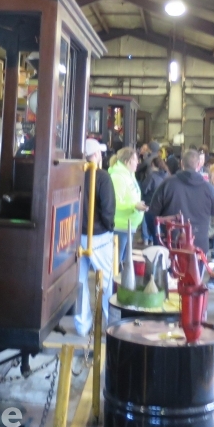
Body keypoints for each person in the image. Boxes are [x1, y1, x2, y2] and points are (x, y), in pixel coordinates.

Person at [75, 138, 115, 337]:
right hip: (99, 236)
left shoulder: (74, 174)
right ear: (97, 155)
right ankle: (112, 324)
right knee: (106, 282)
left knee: (80, 282)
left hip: (74, 236)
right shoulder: (102, 177)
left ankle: (81, 325)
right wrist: (110, 228)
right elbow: (108, 210)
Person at [146, 148, 214, 253]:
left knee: (173, 269)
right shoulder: (208, 188)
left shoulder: (168, 183)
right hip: (198, 242)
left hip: (172, 241)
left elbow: (152, 212)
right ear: (199, 164)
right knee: (196, 269)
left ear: (181, 163)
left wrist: (156, 236)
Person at [109, 146, 145, 261]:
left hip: (129, 225)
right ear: (127, 162)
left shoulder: (129, 175)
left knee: (124, 260)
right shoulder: (118, 177)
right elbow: (115, 202)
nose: (138, 163)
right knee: (117, 261)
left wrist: (137, 204)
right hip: (121, 226)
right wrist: (134, 205)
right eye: (135, 160)